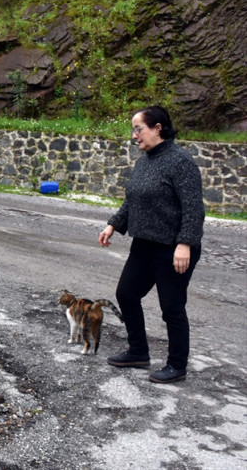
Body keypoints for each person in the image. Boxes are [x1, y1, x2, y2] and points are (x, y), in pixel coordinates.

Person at [99, 105, 205, 384]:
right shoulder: (143, 161)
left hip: (173, 248)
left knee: (172, 307)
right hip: (144, 245)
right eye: (133, 129)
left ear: (158, 128)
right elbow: (133, 199)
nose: (134, 135)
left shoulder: (181, 162)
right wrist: (113, 224)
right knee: (127, 293)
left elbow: (194, 209)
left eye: (139, 129)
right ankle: (138, 352)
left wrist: (185, 244)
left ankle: (176, 366)